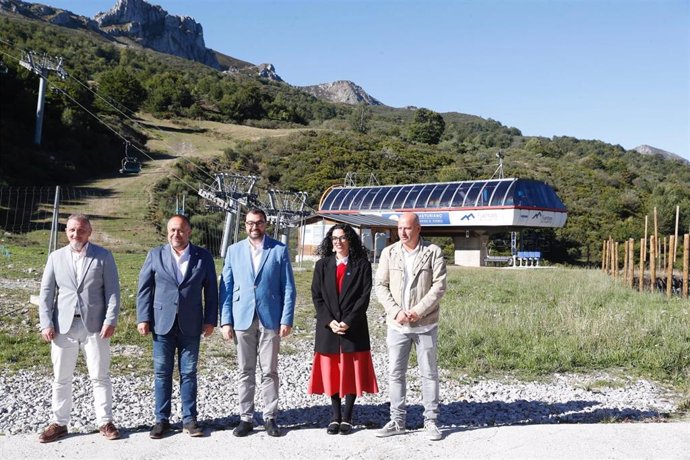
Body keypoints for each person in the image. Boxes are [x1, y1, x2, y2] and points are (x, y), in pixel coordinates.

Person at [38, 214, 121, 443]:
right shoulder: (55, 257)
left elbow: (113, 292)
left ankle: (105, 421)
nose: (77, 234)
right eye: (72, 230)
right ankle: (59, 423)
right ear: (66, 231)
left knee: (100, 376)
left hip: (95, 326)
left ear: (89, 232)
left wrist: (110, 320)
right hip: (63, 326)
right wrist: (46, 322)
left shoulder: (103, 256)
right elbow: (46, 293)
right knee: (61, 377)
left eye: (82, 230)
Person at [136, 214, 218, 439]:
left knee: (189, 373)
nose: (176, 234)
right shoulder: (155, 255)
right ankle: (161, 420)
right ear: (167, 231)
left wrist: (211, 320)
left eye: (181, 230)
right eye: (172, 230)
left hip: (191, 325)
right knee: (162, 373)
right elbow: (144, 289)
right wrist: (143, 318)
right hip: (162, 324)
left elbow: (211, 291)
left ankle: (189, 419)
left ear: (189, 231)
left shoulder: (203, 257)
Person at [219, 209, 296, 438]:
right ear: (245, 225)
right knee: (245, 369)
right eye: (250, 223)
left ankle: (270, 416)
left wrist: (286, 318)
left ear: (266, 224)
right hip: (242, 316)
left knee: (270, 370)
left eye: (259, 223)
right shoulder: (234, 251)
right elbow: (226, 288)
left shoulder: (279, 250)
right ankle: (246, 418)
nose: (255, 227)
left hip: (270, 317)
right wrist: (225, 321)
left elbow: (289, 287)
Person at [374, 212, 447, 441]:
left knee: (429, 374)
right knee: (396, 373)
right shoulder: (389, 252)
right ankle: (397, 420)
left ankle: (431, 421)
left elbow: (439, 286)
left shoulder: (432, 252)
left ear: (418, 228)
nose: (402, 233)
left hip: (425, 325)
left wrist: (418, 311)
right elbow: (381, 285)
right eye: (399, 229)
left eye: (407, 228)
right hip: (397, 326)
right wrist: (396, 312)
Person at [307, 224, 379, 435]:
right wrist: (329, 321)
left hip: (353, 327)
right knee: (333, 372)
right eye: (334, 238)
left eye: (342, 238)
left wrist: (348, 321)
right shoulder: (322, 265)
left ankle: (347, 417)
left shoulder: (362, 265)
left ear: (350, 241)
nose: (338, 242)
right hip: (328, 328)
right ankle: (334, 416)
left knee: (350, 371)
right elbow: (317, 297)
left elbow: (363, 298)